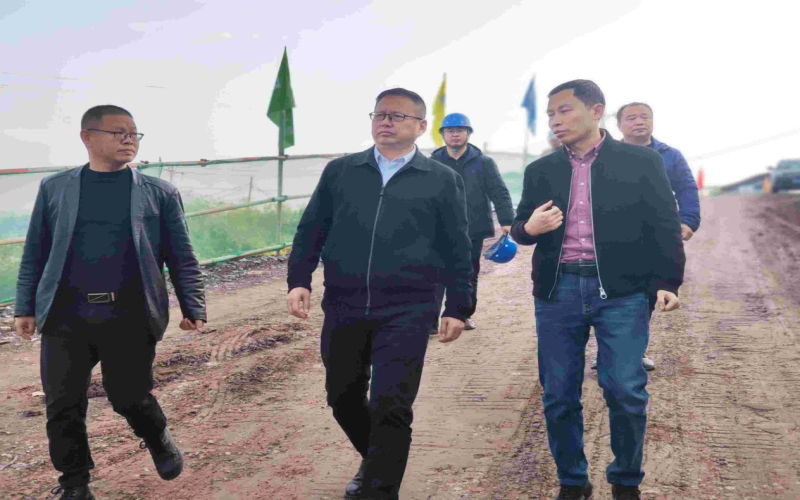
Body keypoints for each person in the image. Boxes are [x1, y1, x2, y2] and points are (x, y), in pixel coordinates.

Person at [286, 88, 472, 499]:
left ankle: (380, 489)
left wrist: (459, 306)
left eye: (397, 116)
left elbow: (456, 247)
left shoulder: (441, 179)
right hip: (344, 303)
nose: (386, 122)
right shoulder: (342, 171)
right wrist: (299, 279)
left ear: (421, 126)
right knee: (342, 397)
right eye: (380, 114)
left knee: (391, 405)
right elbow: (312, 228)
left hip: (409, 308)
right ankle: (376, 462)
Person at [14, 105, 207, 500]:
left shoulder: (159, 192)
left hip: (129, 314)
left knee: (129, 397)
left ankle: (157, 436)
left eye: (134, 133)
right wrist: (25, 306)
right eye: (118, 132)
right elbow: (35, 251)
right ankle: (75, 483)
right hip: (66, 314)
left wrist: (194, 306)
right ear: (87, 137)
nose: (129, 139)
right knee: (62, 405)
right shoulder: (55, 188)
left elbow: (182, 256)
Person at [511, 80, 685, 500]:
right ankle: (573, 481)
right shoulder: (540, 170)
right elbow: (520, 228)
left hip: (623, 292)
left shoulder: (641, 162)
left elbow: (664, 223)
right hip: (558, 292)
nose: (555, 121)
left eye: (564, 110)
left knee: (625, 390)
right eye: (551, 114)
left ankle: (625, 481)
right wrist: (528, 229)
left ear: (595, 111)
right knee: (558, 394)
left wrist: (668, 281)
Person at [592, 102, 700, 372]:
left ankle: (633, 351)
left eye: (645, 117)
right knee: (610, 294)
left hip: (655, 237)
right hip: (614, 237)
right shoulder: (604, 154)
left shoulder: (670, 156)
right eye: (631, 118)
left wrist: (688, 221)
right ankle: (607, 351)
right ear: (619, 125)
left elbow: (687, 188)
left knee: (646, 295)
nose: (639, 121)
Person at [431, 113, 515, 331]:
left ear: (468, 133)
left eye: (460, 130)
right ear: (443, 134)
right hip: (438, 228)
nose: (455, 134)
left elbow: (499, 192)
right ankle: (430, 321)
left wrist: (507, 220)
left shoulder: (483, 163)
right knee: (435, 274)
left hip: (473, 228)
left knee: (468, 273)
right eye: (450, 131)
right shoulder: (433, 162)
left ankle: (463, 315)